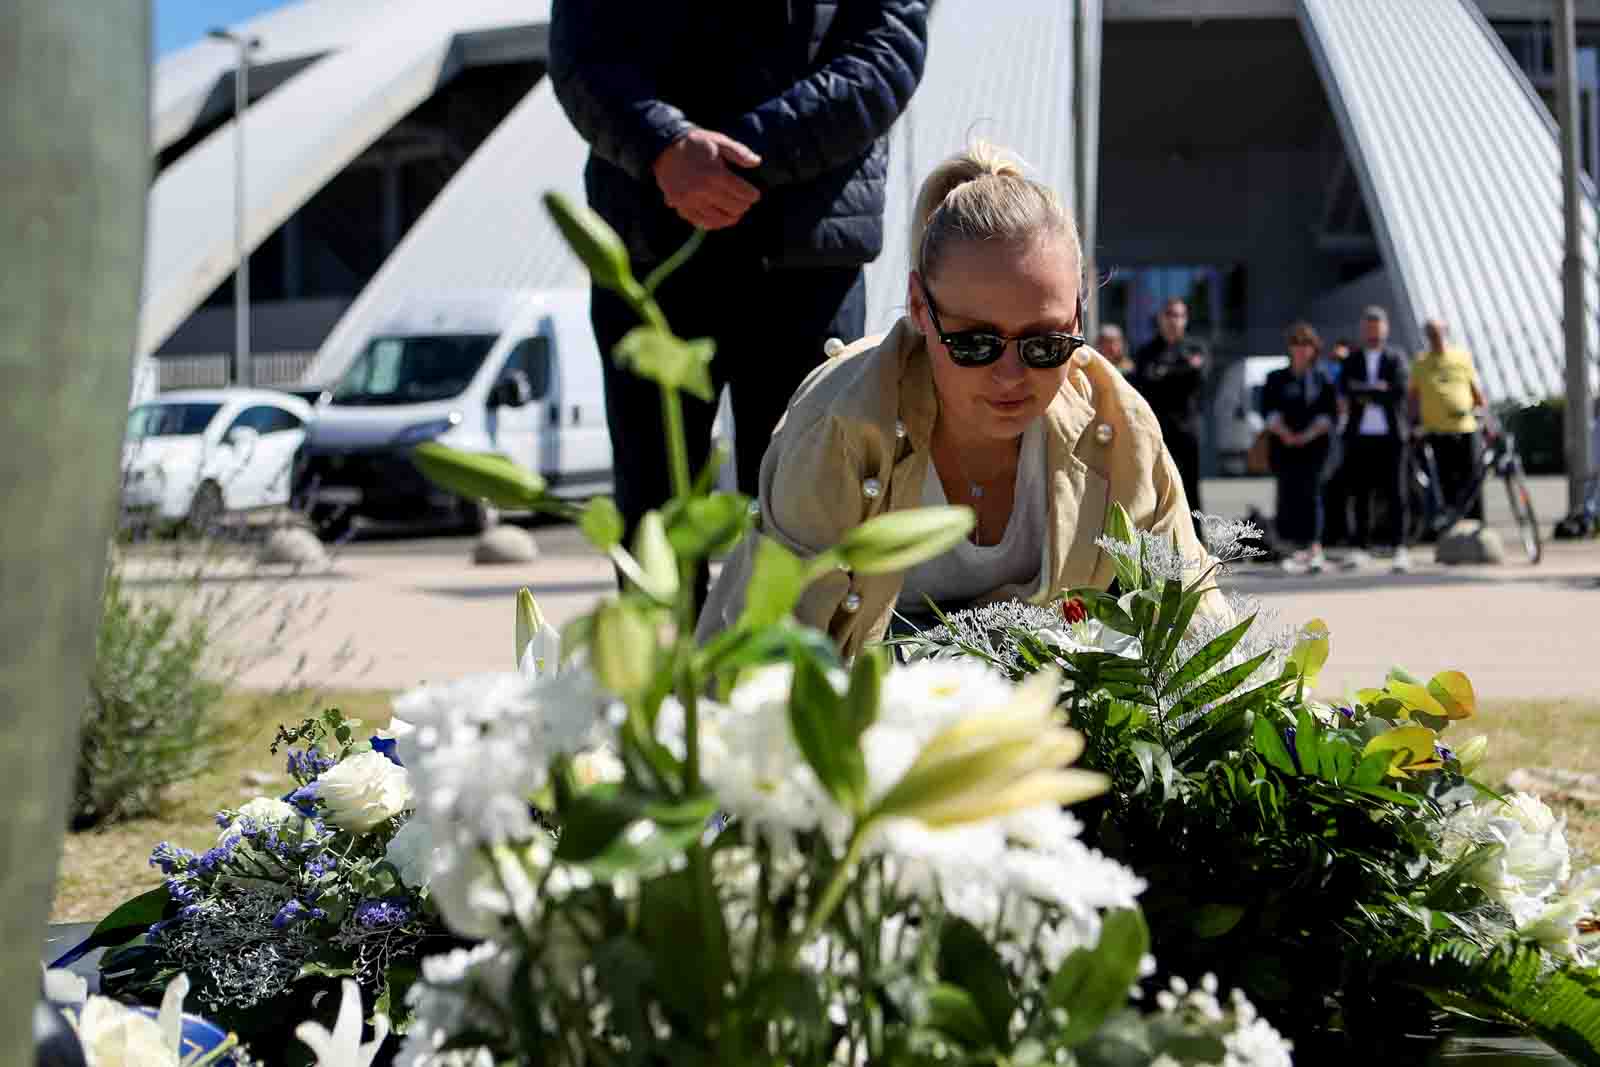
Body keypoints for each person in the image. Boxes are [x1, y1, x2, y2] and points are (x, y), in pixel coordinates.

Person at [698, 144, 1220, 657]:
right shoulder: (839, 425)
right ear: (919, 309)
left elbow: (1198, 626)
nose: (1011, 375)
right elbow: (774, 658)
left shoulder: (1117, 426)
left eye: (1044, 343)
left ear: (1079, 317)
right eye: (975, 343)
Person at [548, 2, 930, 595]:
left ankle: (792, 688)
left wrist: (743, 155)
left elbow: (889, 49)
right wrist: (663, 146)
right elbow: (581, 52)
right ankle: (665, 683)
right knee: (654, 515)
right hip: (653, 258)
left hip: (808, 262)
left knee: (808, 516)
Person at [1261, 323, 1339, 573]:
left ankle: (1313, 546)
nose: (1301, 349)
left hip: (1314, 446)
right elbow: (1268, 411)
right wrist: (1285, 434)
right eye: (1296, 343)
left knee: (1312, 494)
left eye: (1306, 344)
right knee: (1286, 494)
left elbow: (1329, 413)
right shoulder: (1276, 378)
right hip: (1284, 446)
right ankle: (1288, 547)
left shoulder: (1323, 379)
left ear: (1314, 349)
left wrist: (1306, 435)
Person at [1341, 306, 1412, 572]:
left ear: (1386, 330)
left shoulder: (1396, 357)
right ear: (1363, 331)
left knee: (1396, 492)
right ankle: (1360, 547)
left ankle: (1400, 547)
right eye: (1368, 330)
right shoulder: (1353, 359)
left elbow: (1399, 391)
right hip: (1359, 436)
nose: (1372, 335)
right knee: (1360, 493)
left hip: (1392, 436)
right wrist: (1378, 390)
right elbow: (1347, 389)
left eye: (1377, 329)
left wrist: (1367, 393)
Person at [1131, 298, 1208, 512]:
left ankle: (1195, 540)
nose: (1175, 321)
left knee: (1190, 488)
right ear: (1161, 319)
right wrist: (1183, 370)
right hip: (1157, 430)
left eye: (1180, 315)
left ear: (1186, 319)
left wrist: (1164, 373)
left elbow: (1200, 377)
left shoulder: (1196, 347)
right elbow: (1145, 383)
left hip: (1187, 429)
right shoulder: (1146, 352)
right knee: (1158, 487)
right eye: (1170, 315)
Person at [1409, 318, 1487, 523]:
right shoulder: (1420, 362)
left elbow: (1475, 388)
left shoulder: (1461, 357)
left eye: (1438, 333)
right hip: (1436, 430)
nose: (1436, 338)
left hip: (1466, 428)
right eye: (1431, 334)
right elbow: (1414, 397)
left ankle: (1475, 525)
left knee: (1472, 479)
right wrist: (1413, 424)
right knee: (1445, 481)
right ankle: (1451, 525)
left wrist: (1484, 413)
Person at [1320, 337, 1353, 546]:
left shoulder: (1350, 374)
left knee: (1346, 490)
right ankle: (1331, 532)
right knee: (1330, 487)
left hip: (1349, 436)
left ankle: (1344, 532)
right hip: (1333, 437)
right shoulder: (1329, 375)